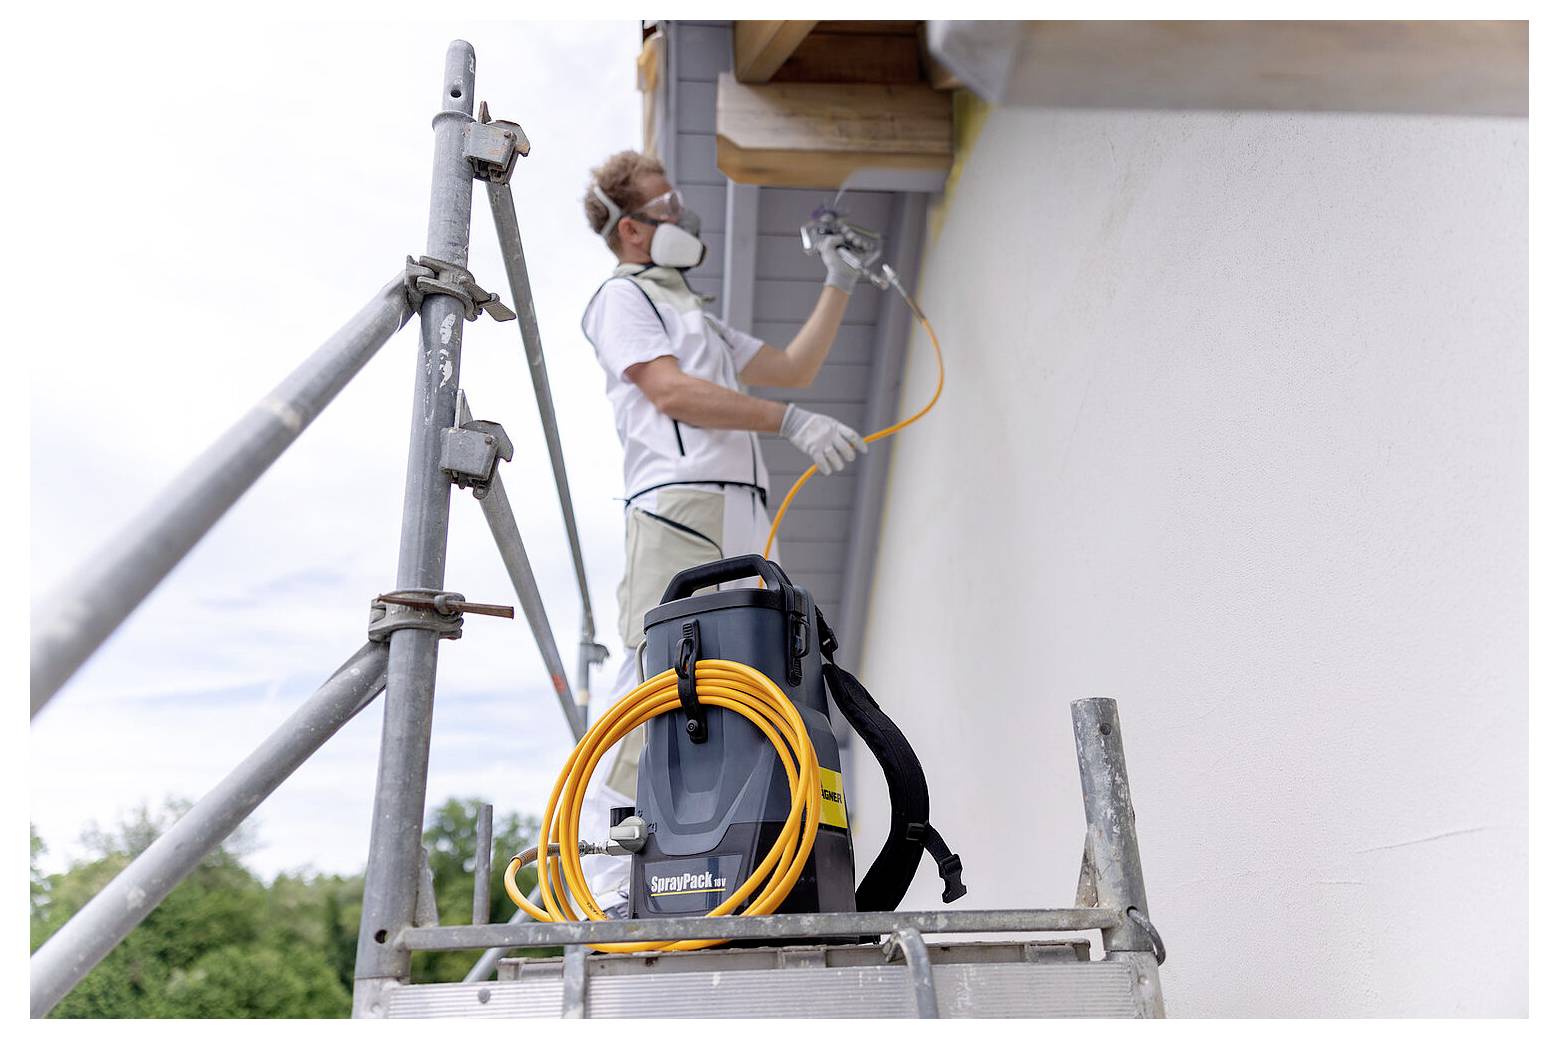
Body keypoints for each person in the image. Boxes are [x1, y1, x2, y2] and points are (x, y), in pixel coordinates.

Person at [576, 150, 868, 914]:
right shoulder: (622, 298)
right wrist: (788, 422)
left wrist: (838, 278)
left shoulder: (689, 307)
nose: (684, 217)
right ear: (632, 228)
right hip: (678, 500)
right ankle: (603, 877)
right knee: (651, 672)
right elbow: (670, 391)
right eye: (667, 206)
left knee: (755, 673)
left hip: (741, 505)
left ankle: (732, 853)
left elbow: (793, 366)